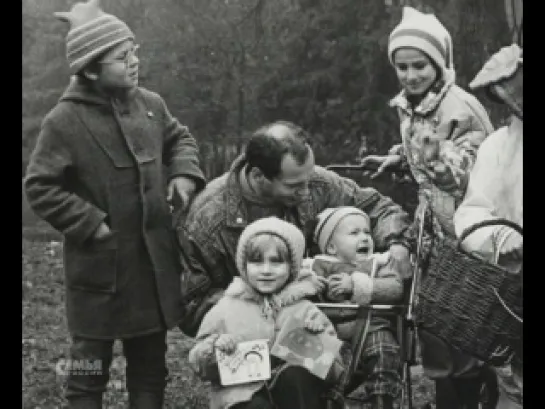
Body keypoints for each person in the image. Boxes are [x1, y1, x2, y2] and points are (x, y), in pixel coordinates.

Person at [23, 1, 206, 407]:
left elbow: (181, 140)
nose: (134, 62)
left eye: (134, 51)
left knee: (150, 370)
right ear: (90, 69)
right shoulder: (63, 121)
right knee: (88, 371)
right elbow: (39, 186)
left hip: (150, 269)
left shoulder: (151, 106)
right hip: (98, 274)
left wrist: (182, 174)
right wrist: (90, 222)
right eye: (122, 58)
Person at [359, 6, 495, 409]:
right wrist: (399, 157)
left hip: (468, 233)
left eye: (420, 65)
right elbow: (420, 143)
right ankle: (449, 394)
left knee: (466, 329)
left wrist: (435, 159)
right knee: (436, 326)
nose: (411, 75)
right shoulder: (414, 102)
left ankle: (474, 394)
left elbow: (469, 172)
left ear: (439, 63)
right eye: (402, 67)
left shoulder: (460, 108)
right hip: (433, 231)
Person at [178, 120, 413, 337]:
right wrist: (261, 303)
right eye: (294, 187)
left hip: (327, 327)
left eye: (308, 180)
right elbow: (191, 306)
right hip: (249, 337)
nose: (306, 193)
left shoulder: (313, 182)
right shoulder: (207, 219)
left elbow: (378, 208)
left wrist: (398, 244)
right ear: (259, 176)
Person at [188, 217, 342, 409]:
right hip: (241, 399)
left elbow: (335, 373)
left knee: (295, 375)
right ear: (244, 265)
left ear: (292, 268)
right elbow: (199, 366)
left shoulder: (306, 310)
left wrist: (316, 341)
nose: (266, 270)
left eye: (276, 262)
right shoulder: (225, 308)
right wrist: (214, 348)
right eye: (257, 262)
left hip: (294, 399)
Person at [454, 43, 523, 409]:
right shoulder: (498, 147)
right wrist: (500, 238)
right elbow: (472, 213)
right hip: (517, 291)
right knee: (515, 383)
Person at [308, 206, 404, 409]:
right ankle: (330, 399)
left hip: (372, 326)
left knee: (384, 350)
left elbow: (395, 288)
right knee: (331, 364)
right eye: (354, 233)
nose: (364, 238)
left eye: (367, 232)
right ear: (332, 247)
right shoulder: (316, 267)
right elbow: (299, 290)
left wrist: (356, 285)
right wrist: (313, 286)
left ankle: (382, 398)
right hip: (331, 331)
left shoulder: (380, 263)